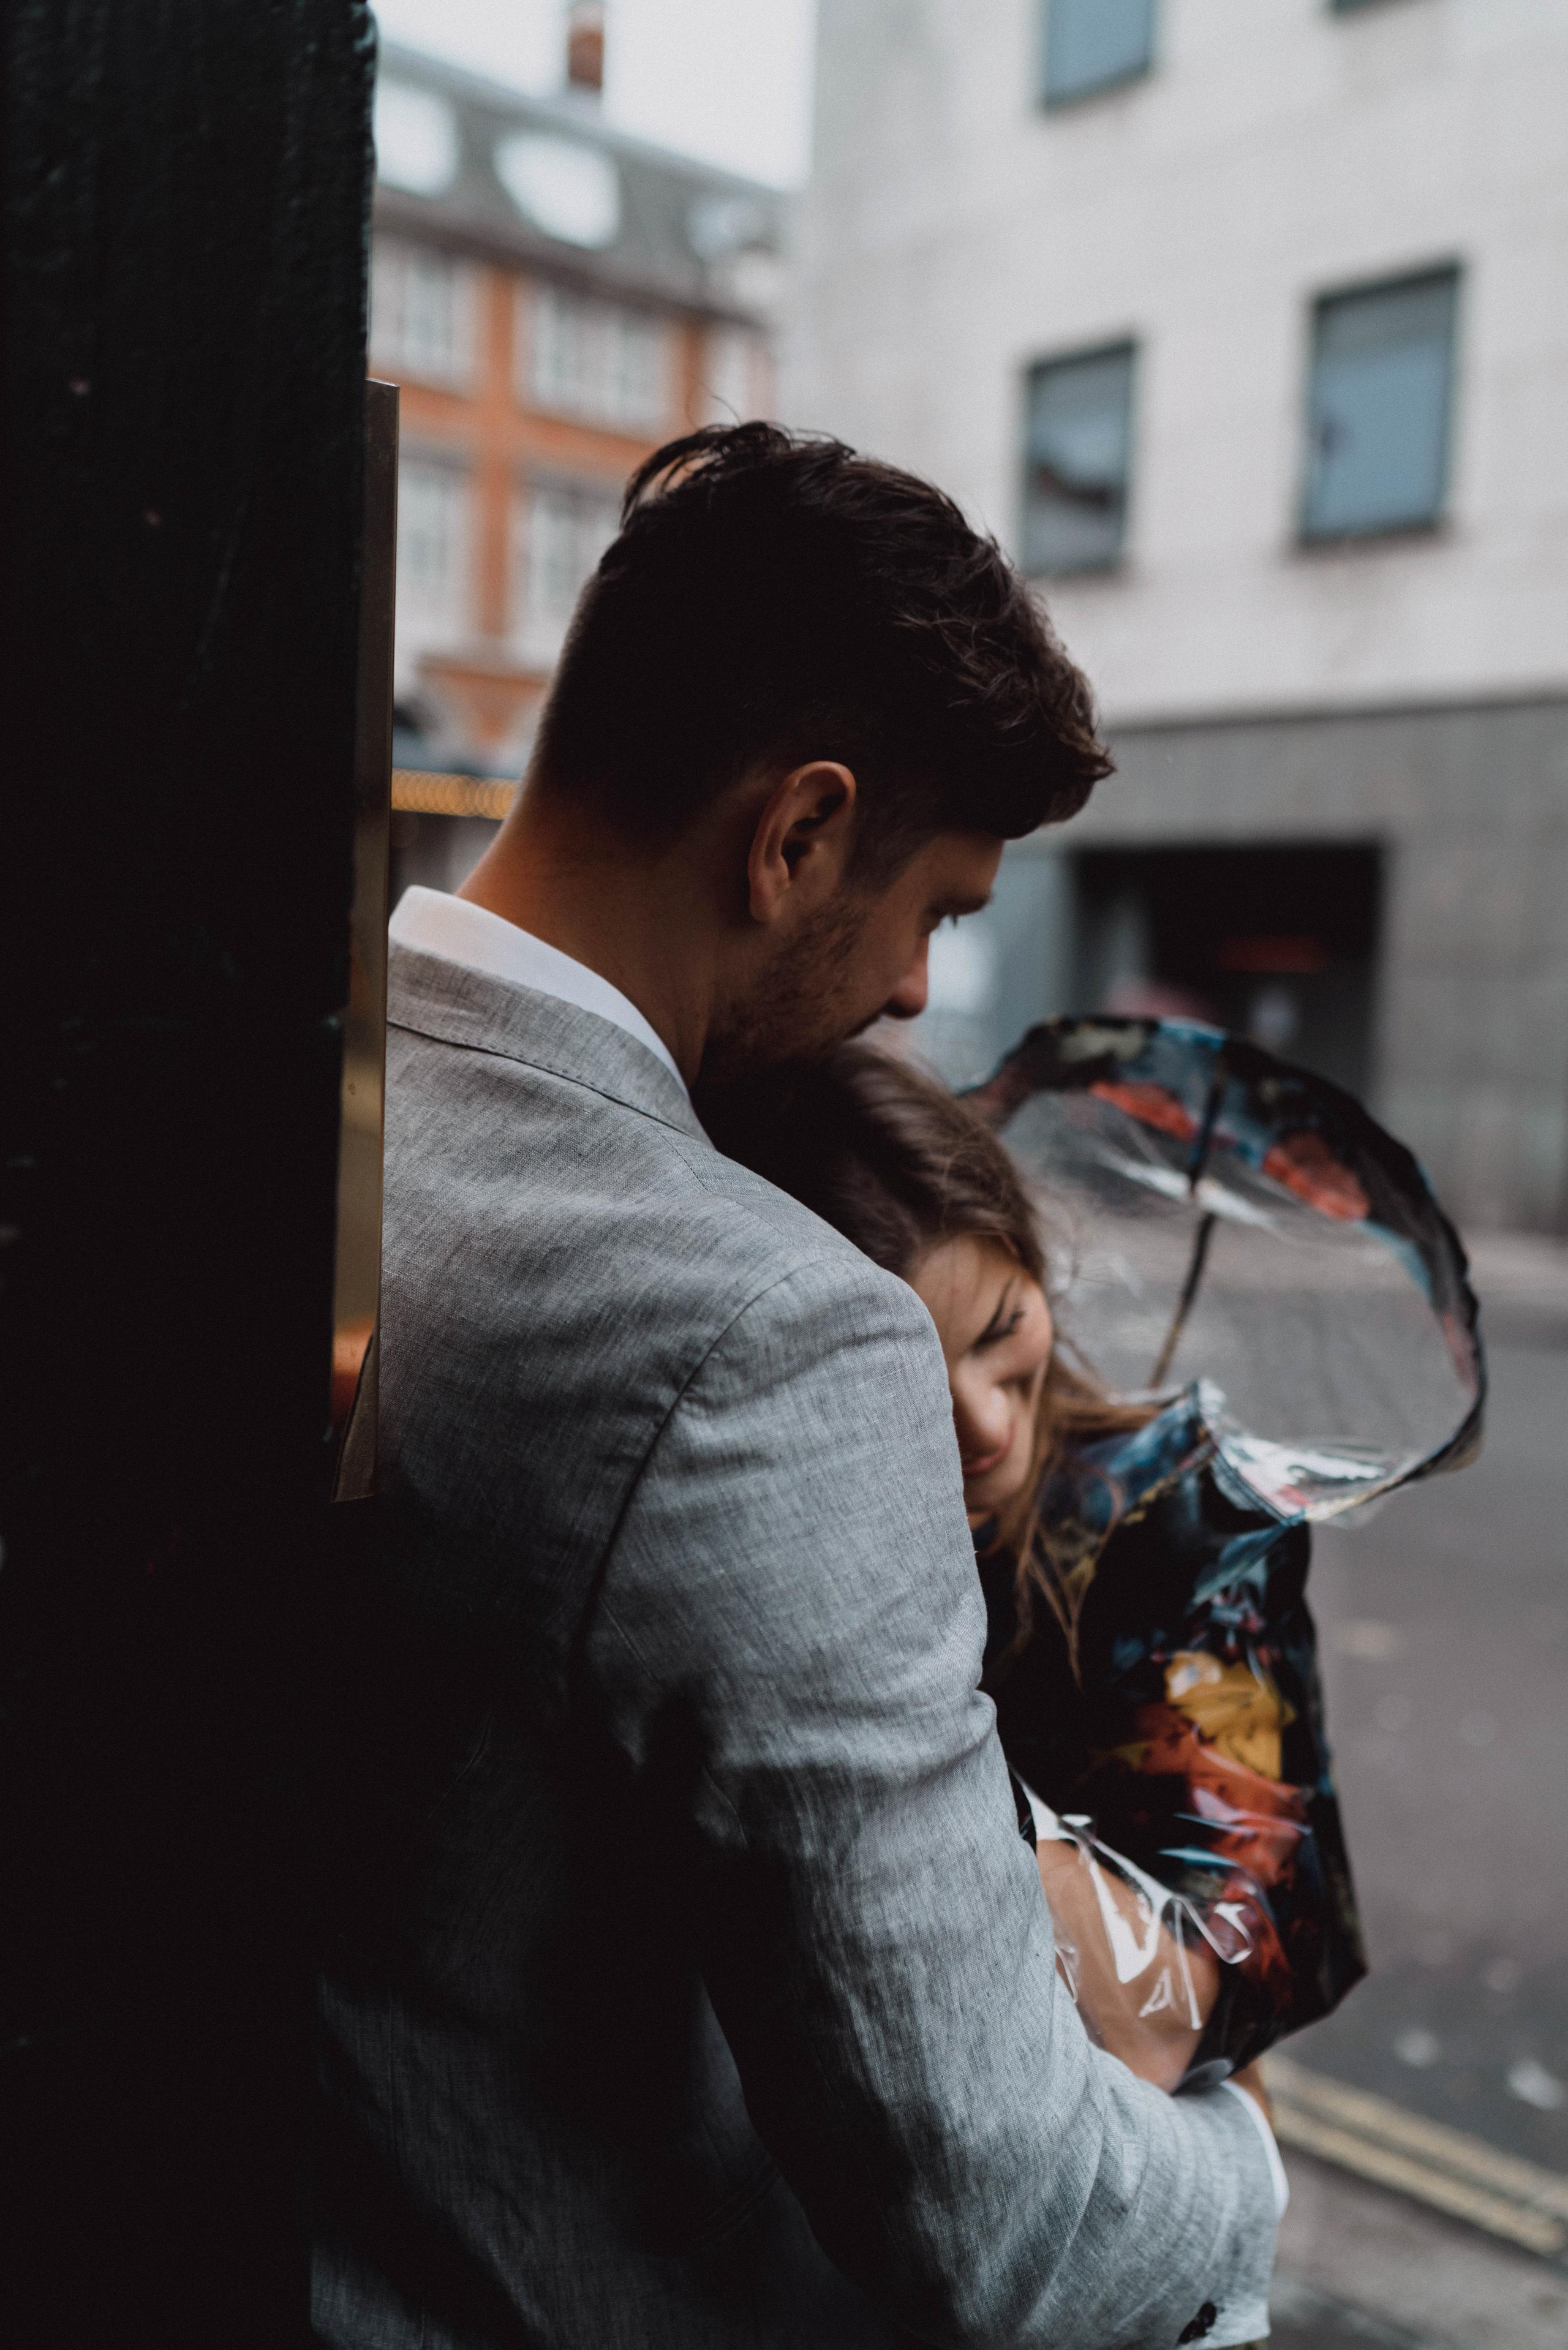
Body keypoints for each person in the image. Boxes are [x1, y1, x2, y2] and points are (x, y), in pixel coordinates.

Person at [314, 424, 1282, 2350]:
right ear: (796, 835)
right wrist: (1247, 2173)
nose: (922, 994)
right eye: (932, 909)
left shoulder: (313, 1086)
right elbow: (1009, 2227)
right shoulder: (762, 1333)